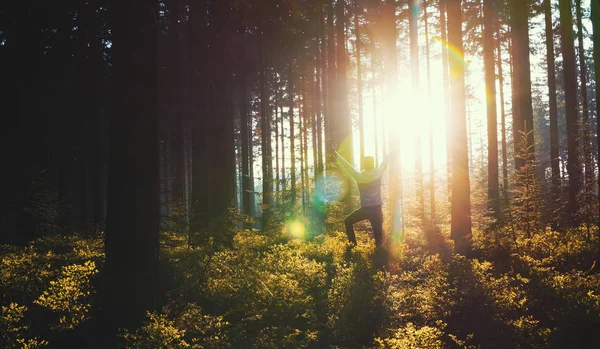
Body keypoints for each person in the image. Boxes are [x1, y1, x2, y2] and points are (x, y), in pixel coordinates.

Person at [335, 150, 390, 247]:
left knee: (348, 221)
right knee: (379, 240)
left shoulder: (359, 176)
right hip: (377, 209)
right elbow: (385, 162)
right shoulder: (378, 173)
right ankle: (380, 256)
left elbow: (347, 167)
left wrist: (336, 154)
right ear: (373, 164)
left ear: (364, 165)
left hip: (365, 209)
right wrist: (390, 150)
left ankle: (353, 245)